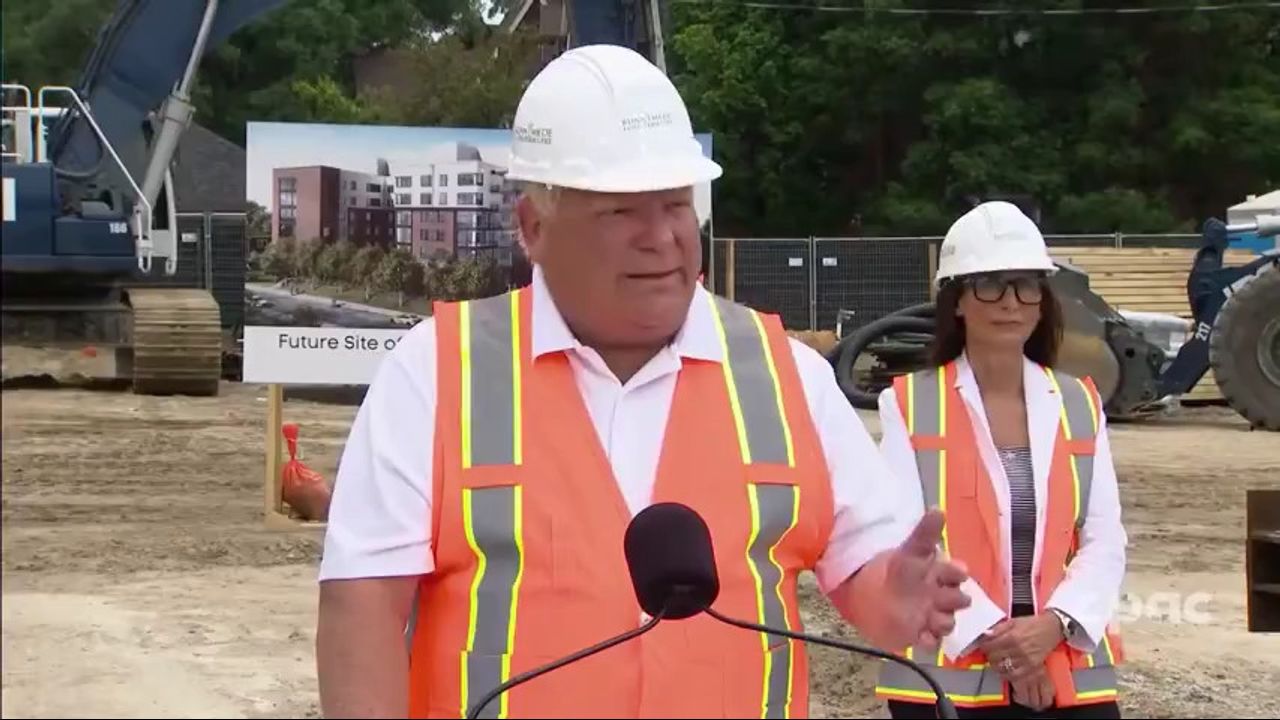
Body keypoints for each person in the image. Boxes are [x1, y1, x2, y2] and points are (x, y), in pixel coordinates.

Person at [315, 44, 971, 719]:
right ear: (534, 227)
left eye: (675, 204)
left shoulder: (790, 380)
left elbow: (867, 569)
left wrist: (893, 598)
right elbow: (363, 606)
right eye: (619, 211)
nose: (660, 237)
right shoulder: (434, 374)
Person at [872, 201, 1129, 719]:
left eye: (1026, 285)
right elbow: (903, 540)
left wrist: (1052, 626)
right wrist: (1001, 642)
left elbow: (1105, 538)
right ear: (958, 301)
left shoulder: (1079, 402)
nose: (1011, 302)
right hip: (947, 672)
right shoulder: (908, 404)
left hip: (1063, 662)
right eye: (990, 284)